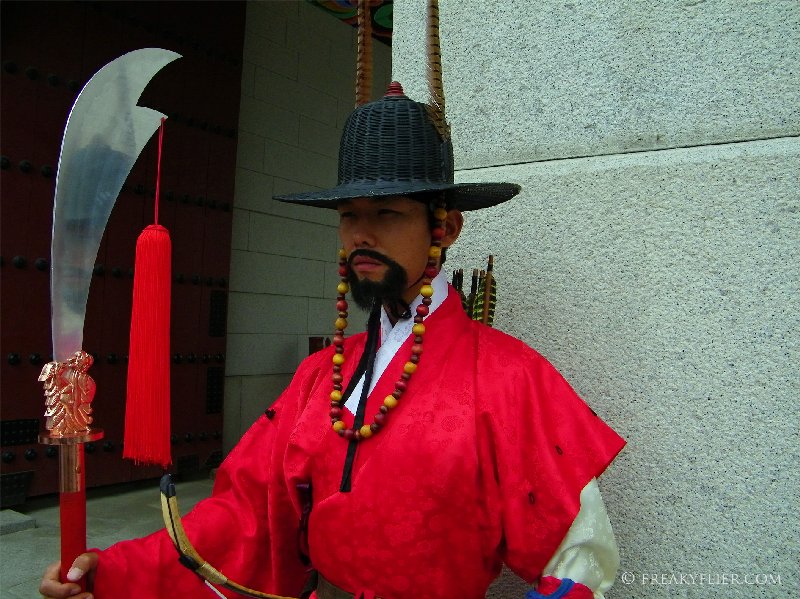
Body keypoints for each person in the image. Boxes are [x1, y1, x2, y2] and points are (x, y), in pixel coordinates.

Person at [40, 83, 625, 599]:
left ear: (443, 227)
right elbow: (247, 521)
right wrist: (114, 574)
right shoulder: (323, 375)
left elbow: (581, 558)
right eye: (349, 215)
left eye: (388, 214)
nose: (360, 235)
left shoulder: (509, 377)